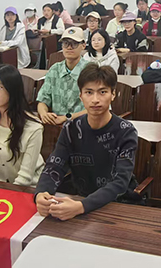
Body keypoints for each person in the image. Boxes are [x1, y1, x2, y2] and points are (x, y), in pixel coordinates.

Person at [34, 64, 139, 220]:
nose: (95, 100)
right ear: (80, 96)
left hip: (117, 204)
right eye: (89, 92)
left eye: (102, 92)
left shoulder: (126, 131)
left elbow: (120, 182)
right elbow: (55, 165)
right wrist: (41, 193)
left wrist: (82, 206)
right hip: (78, 199)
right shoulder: (71, 128)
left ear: (113, 94)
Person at [36, 27, 89, 126]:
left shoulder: (91, 71)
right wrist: (44, 114)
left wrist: (67, 118)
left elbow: (98, 108)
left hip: (83, 125)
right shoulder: (55, 69)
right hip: (55, 125)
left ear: (83, 45)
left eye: (74, 44)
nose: (69, 47)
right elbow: (43, 100)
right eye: (65, 43)